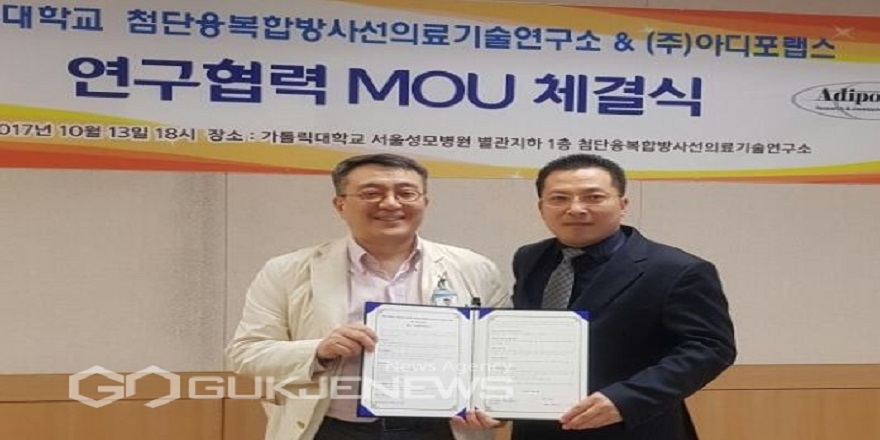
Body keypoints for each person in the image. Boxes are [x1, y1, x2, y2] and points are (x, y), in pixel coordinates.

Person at [226, 153, 509, 440]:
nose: (390, 203)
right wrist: (318, 350)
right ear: (340, 204)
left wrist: (497, 408)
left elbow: (504, 354)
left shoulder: (475, 268)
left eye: (406, 193)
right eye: (371, 193)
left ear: (425, 201)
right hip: (333, 429)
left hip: (443, 429)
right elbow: (246, 354)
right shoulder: (287, 270)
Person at [510, 153, 736, 440]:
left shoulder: (677, 269)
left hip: (631, 426)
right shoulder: (530, 258)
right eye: (559, 198)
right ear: (541, 207)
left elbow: (710, 347)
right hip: (538, 428)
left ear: (622, 204)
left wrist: (626, 399)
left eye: (593, 197)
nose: (575, 209)